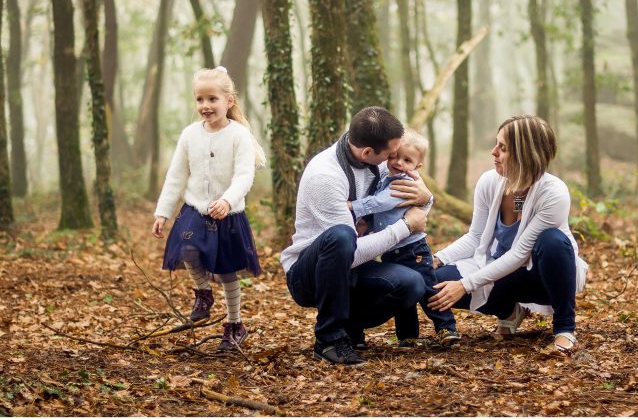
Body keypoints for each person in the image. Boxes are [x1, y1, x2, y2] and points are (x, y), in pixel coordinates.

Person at [280, 107, 434, 366]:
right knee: (341, 236)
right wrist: (405, 228)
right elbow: (349, 252)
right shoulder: (325, 176)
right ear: (367, 153)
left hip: (352, 268)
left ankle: (349, 325)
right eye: (390, 154)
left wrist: (426, 198)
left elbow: (415, 197)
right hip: (307, 272)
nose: (394, 159)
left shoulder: (375, 154)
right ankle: (329, 339)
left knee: (412, 283)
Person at [428, 115, 588, 354]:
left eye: (502, 147)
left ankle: (565, 329)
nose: (493, 152)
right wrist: (438, 258)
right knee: (435, 279)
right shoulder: (489, 182)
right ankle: (509, 312)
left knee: (552, 240)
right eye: (496, 144)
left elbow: (520, 254)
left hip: (544, 277)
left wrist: (465, 284)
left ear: (525, 153)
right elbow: (475, 237)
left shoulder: (554, 193)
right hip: (504, 272)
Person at [152, 66, 266, 351]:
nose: (205, 106)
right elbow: (176, 175)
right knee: (186, 249)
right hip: (195, 210)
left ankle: (234, 324)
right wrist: (162, 212)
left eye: (212, 99)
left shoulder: (239, 135)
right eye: (200, 99)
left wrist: (227, 200)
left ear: (228, 101)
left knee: (228, 272)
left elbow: (244, 175)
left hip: (228, 214)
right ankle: (203, 292)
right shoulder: (190, 134)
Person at [348, 129, 459, 347]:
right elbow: (385, 216)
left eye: (407, 160)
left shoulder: (403, 182)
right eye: (394, 156)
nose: (398, 163)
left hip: (413, 250)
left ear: (417, 166)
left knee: (428, 289)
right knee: (404, 294)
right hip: (391, 250)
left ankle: (446, 327)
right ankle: (407, 335)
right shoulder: (384, 178)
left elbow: (381, 203)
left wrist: (353, 207)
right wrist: (366, 224)